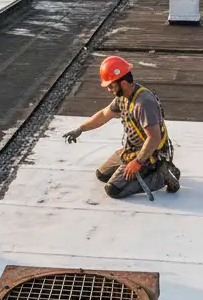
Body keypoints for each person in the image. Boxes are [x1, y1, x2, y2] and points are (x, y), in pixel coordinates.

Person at [63, 55, 180, 199]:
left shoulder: (143, 104)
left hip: (151, 153)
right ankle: (139, 171)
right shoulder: (123, 97)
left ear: (123, 83)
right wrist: (81, 129)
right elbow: (104, 114)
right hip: (132, 149)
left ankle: (162, 175)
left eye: (111, 85)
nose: (109, 89)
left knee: (113, 190)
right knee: (102, 175)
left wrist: (137, 162)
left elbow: (154, 138)